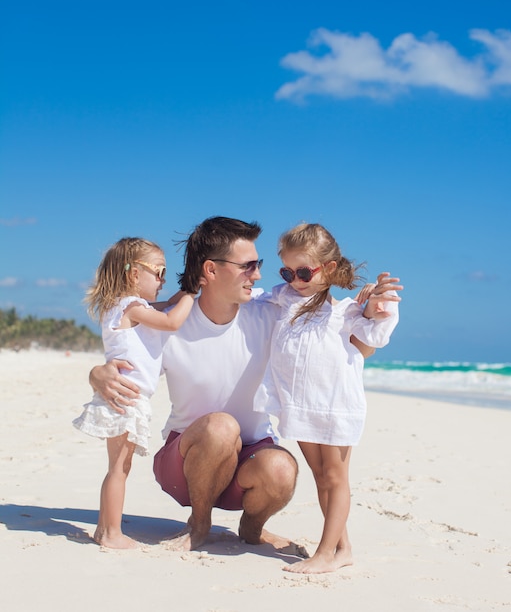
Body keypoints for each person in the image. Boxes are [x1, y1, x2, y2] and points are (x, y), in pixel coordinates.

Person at [88, 217, 403, 555]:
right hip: (185, 464)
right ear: (210, 270)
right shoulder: (169, 322)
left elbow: (346, 340)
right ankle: (200, 523)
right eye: (248, 266)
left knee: (282, 468)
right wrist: (96, 373)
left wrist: (372, 311)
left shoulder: (272, 313)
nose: (257, 275)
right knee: (221, 426)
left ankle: (252, 529)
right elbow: (124, 351)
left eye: (260, 266)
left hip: (249, 462)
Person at [254, 223, 400, 574]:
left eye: (303, 271)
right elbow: (248, 298)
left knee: (336, 478)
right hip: (300, 405)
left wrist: (379, 303)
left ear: (329, 269)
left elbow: (374, 333)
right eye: (287, 271)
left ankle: (324, 553)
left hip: (335, 406)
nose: (295, 279)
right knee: (321, 478)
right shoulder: (283, 299)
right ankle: (343, 547)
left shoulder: (347, 312)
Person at [73, 237, 195, 549]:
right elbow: (170, 320)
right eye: (159, 272)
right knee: (119, 469)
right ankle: (112, 534)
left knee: (117, 467)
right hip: (126, 398)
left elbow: (165, 306)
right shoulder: (132, 306)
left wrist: (186, 288)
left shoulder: (120, 307)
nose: (163, 280)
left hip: (122, 396)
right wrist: (192, 295)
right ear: (133, 274)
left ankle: (104, 529)